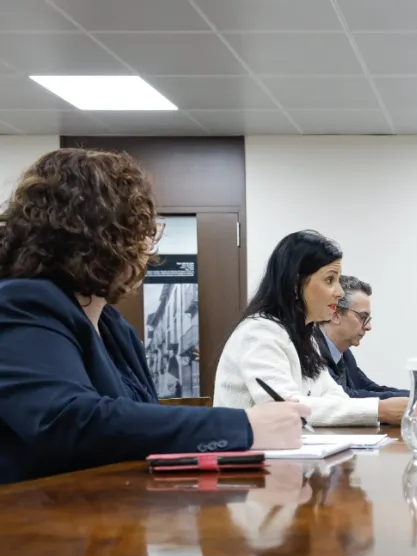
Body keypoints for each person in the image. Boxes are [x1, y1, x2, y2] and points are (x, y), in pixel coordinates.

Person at [0, 148, 306, 484]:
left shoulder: (113, 326)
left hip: (108, 512)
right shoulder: (22, 302)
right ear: (99, 236)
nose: (149, 247)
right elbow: (67, 420)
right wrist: (243, 426)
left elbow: (137, 428)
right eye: (139, 230)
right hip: (36, 520)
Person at [213, 230, 407, 426]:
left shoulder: (305, 336)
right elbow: (285, 409)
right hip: (248, 454)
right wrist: (379, 410)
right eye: (330, 280)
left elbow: (333, 395)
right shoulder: (259, 333)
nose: (339, 292)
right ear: (296, 284)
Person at [313, 275, 409, 400]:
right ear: (335, 315)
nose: (369, 327)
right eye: (363, 317)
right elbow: (345, 397)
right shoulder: (311, 351)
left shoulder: (345, 355)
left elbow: (371, 389)